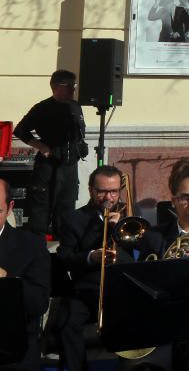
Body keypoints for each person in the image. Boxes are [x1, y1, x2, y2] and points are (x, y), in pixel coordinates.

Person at [54, 166, 132, 371]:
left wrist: (118, 229)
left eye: (114, 191)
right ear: (90, 190)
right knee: (66, 323)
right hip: (86, 290)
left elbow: (141, 253)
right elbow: (65, 257)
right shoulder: (74, 219)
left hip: (122, 290)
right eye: (102, 191)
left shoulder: (129, 216)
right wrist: (91, 257)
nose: (108, 197)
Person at [14, 69, 88, 236]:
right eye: (69, 86)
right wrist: (41, 146)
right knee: (40, 217)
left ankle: (64, 254)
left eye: (74, 85)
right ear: (56, 87)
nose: (73, 90)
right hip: (48, 168)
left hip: (69, 168)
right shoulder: (43, 108)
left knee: (66, 216)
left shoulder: (75, 107)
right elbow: (20, 130)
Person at [0, 178, 50, 370]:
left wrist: (7, 280)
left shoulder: (31, 245)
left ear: (10, 206)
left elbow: (39, 303)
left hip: (10, 347)